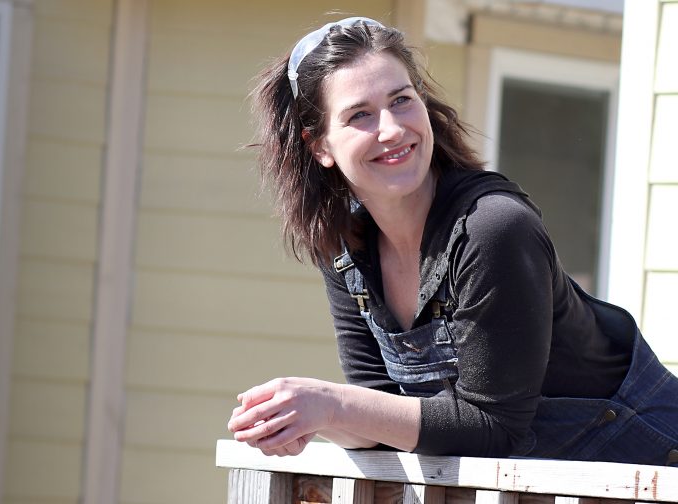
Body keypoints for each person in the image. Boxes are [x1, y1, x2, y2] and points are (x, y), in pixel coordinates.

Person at [226, 17, 678, 466]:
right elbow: (378, 417)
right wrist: (303, 420)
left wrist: (330, 404)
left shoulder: (492, 228)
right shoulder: (346, 248)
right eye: (360, 115)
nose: (392, 129)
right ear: (319, 146)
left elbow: (493, 426)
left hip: (655, 468)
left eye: (402, 100)